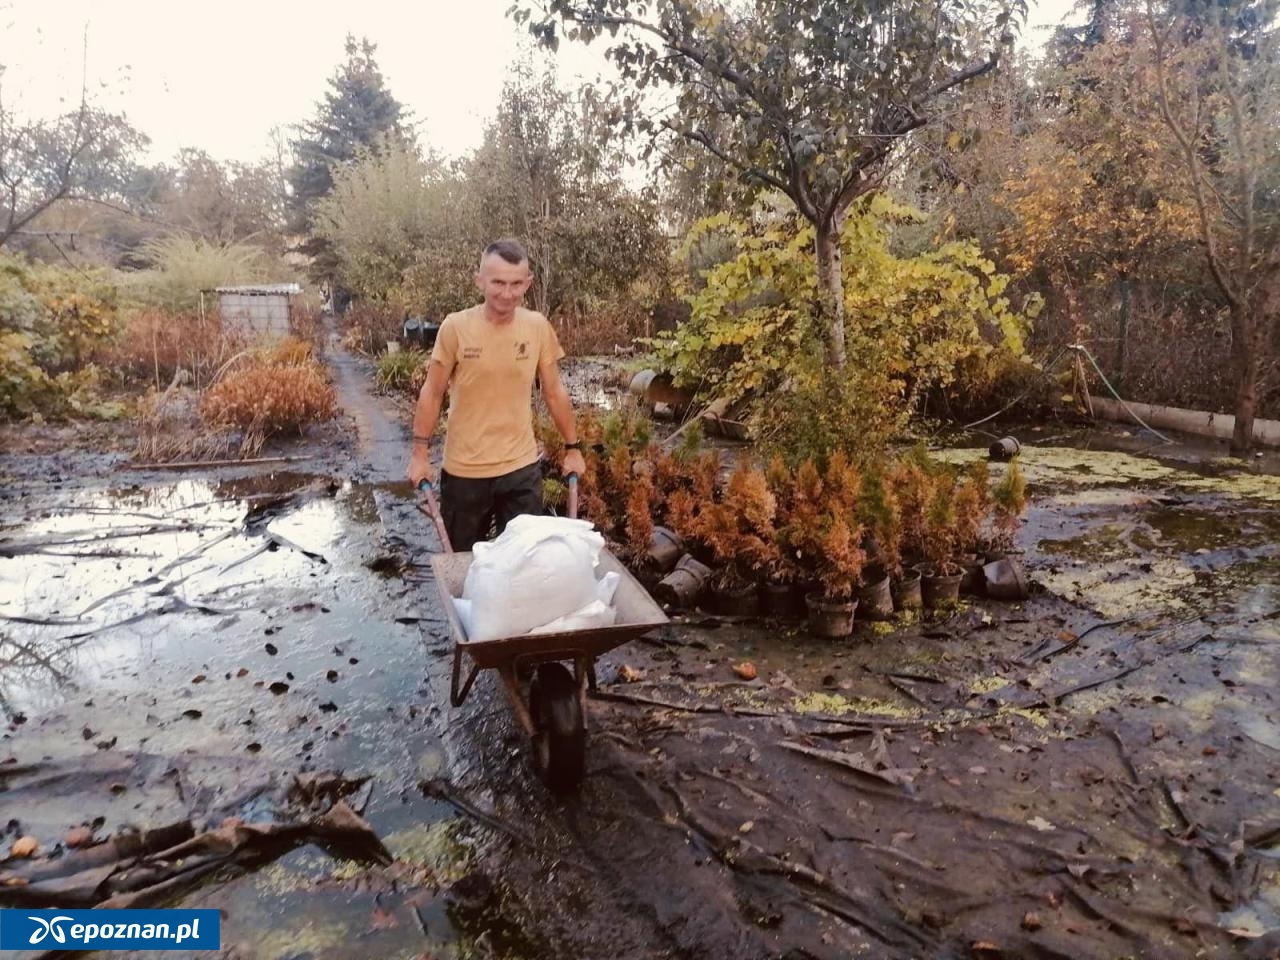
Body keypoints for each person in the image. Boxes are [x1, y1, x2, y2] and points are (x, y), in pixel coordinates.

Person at [406, 239, 587, 550]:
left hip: (520, 469)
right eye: (498, 282)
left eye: (516, 283)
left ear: (528, 282)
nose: (507, 293)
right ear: (480, 281)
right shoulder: (456, 328)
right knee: (465, 564)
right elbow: (433, 393)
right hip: (465, 472)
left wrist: (573, 447)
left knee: (522, 564)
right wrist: (420, 455)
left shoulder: (536, 327)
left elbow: (554, 392)